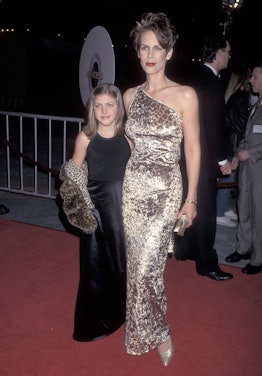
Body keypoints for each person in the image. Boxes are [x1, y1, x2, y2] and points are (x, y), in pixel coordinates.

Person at [121, 12, 201, 366]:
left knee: (148, 267)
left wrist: (191, 199)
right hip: (133, 190)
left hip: (166, 191)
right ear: (137, 52)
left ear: (169, 52)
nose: (149, 54)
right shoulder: (128, 96)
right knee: (135, 264)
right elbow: (128, 144)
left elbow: (193, 149)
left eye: (157, 48)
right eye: (144, 48)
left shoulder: (185, 95)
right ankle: (143, 328)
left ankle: (161, 330)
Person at [59, 83, 133, 341]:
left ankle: (121, 312)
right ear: (93, 109)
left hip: (124, 209)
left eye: (110, 105)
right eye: (99, 105)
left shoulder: (128, 137)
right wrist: (81, 208)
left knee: (123, 264)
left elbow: (136, 175)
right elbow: (73, 173)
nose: (104, 110)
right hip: (97, 209)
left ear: (118, 108)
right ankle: (95, 321)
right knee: (95, 266)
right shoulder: (85, 137)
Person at [174, 32, 233, 281]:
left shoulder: (191, 77)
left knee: (186, 204)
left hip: (185, 157)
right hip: (206, 159)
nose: (230, 55)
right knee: (206, 211)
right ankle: (206, 263)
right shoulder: (213, 82)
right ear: (218, 52)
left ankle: (182, 249)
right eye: (228, 51)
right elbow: (214, 125)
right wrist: (223, 160)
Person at [225, 62, 262, 274]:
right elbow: (247, 137)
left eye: (255, 77)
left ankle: (258, 258)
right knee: (244, 209)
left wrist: (252, 153)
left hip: (259, 169)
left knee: (259, 213)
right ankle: (244, 248)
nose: (251, 80)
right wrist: (237, 155)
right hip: (247, 169)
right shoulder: (257, 105)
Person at [216, 65, 252, 227]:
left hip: (230, 142)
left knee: (230, 176)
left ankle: (222, 209)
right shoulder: (241, 97)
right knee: (229, 176)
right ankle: (219, 212)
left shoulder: (234, 95)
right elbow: (241, 123)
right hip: (233, 143)